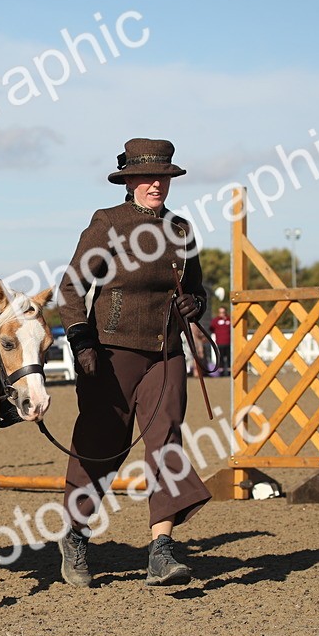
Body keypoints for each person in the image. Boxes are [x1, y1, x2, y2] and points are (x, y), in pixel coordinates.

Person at [54, 138, 211, 588]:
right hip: (111, 351)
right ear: (129, 182)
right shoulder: (108, 223)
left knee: (166, 441)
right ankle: (76, 535)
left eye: (162, 177)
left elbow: (196, 288)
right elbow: (70, 287)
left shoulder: (182, 230)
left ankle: (162, 549)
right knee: (102, 443)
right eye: (146, 178)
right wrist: (80, 338)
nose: (155, 185)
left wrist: (195, 305)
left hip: (166, 353)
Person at [211, 306, 231, 376]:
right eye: (220, 312)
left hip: (229, 342)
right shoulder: (216, 320)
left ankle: (229, 372)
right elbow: (211, 328)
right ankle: (221, 372)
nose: (222, 314)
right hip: (220, 342)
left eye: (223, 312)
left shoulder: (229, 319)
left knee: (229, 358)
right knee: (221, 357)